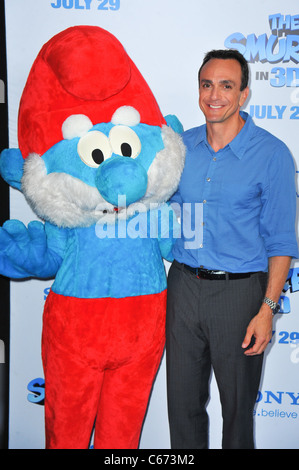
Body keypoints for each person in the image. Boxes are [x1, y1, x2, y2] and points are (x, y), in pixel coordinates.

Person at [166, 49, 298, 449]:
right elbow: (150, 207)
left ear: (243, 95)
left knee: (238, 413)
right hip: (184, 288)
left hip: (241, 295)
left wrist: (268, 309)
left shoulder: (272, 154)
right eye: (207, 85)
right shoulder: (179, 149)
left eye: (227, 85)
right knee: (182, 408)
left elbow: (282, 241)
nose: (215, 95)